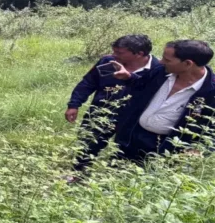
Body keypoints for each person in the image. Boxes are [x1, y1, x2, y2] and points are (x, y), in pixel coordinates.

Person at [66, 35, 161, 170]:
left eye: (119, 52)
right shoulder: (108, 62)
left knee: (125, 151)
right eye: (114, 51)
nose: (113, 55)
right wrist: (74, 104)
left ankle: (113, 180)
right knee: (87, 145)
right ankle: (78, 174)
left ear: (140, 53)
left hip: (133, 120)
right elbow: (88, 83)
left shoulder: (157, 70)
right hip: (101, 112)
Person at [112, 40, 215, 161]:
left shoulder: (210, 91)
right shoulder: (160, 71)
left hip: (165, 149)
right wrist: (129, 77)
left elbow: (211, 127)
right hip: (131, 135)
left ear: (188, 64)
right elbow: (141, 84)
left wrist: (200, 149)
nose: (161, 61)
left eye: (167, 60)